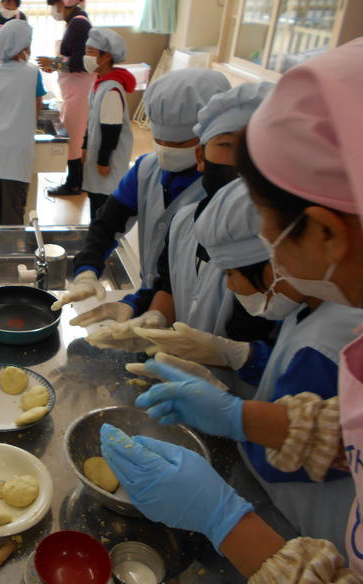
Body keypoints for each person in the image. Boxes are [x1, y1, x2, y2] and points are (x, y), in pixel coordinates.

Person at [100, 38, 363, 581]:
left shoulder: (335, 333)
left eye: (268, 233)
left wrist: (227, 521)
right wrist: (241, 416)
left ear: (325, 232)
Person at [135, 180, 361, 552]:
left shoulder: (333, 342)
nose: (228, 286)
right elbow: (292, 380)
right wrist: (239, 356)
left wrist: (231, 411)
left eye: (230, 273)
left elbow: (288, 459)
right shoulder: (309, 303)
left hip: (314, 533)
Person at [89, 82, 277, 352]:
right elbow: (170, 286)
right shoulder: (184, 221)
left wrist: (232, 358)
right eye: (227, 144)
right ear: (201, 156)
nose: (243, 159)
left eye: (258, 145)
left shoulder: (287, 246)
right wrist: (154, 318)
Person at [52, 68, 230, 326]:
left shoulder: (223, 190)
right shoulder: (147, 169)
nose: (166, 150)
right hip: (157, 301)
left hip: (205, 315)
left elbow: (189, 274)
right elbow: (108, 223)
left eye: (179, 144)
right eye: (160, 139)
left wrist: (139, 305)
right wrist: (87, 270)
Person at [0, 20, 45, 225]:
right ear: (24, 46)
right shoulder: (32, 73)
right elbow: (36, 108)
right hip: (15, 152)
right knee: (12, 219)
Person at [37, 0, 91, 196]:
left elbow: (80, 62)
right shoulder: (75, 22)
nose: (54, 10)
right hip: (74, 90)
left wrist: (54, 62)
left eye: (55, 4)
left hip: (79, 91)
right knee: (75, 135)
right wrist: (55, 64)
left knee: (74, 137)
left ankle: (74, 184)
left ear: (64, 2)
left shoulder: (79, 24)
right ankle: (76, 181)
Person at [81, 27, 135, 219]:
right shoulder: (100, 83)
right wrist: (85, 146)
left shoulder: (111, 90)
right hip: (96, 157)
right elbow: (92, 120)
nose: (85, 57)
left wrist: (103, 161)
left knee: (104, 207)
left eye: (90, 52)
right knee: (95, 201)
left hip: (108, 161)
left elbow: (111, 129)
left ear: (106, 57)